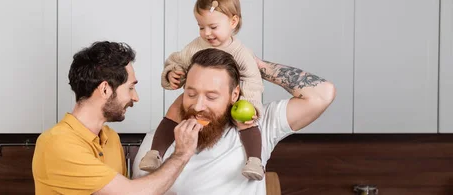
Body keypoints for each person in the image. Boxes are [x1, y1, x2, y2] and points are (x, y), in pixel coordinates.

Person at [133, 48, 336, 194]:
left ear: (234, 95)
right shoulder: (156, 143)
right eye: (191, 93)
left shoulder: (258, 126)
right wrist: (180, 154)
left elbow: (322, 93)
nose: (198, 106)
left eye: (212, 97)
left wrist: (256, 66)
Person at [32, 41, 204, 194]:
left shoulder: (111, 138)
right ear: (105, 89)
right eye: (130, 88)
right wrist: (182, 154)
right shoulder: (57, 144)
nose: (135, 97)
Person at [139, 0, 267, 180]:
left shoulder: (241, 53)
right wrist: (172, 73)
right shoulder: (195, 46)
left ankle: (254, 160)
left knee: (246, 122)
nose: (206, 33)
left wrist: (251, 105)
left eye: (213, 27)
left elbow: (253, 81)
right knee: (175, 109)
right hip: (199, 92)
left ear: (233, 21)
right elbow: (177, 60)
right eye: (201, 27)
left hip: (233, 98)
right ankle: (155, 153)